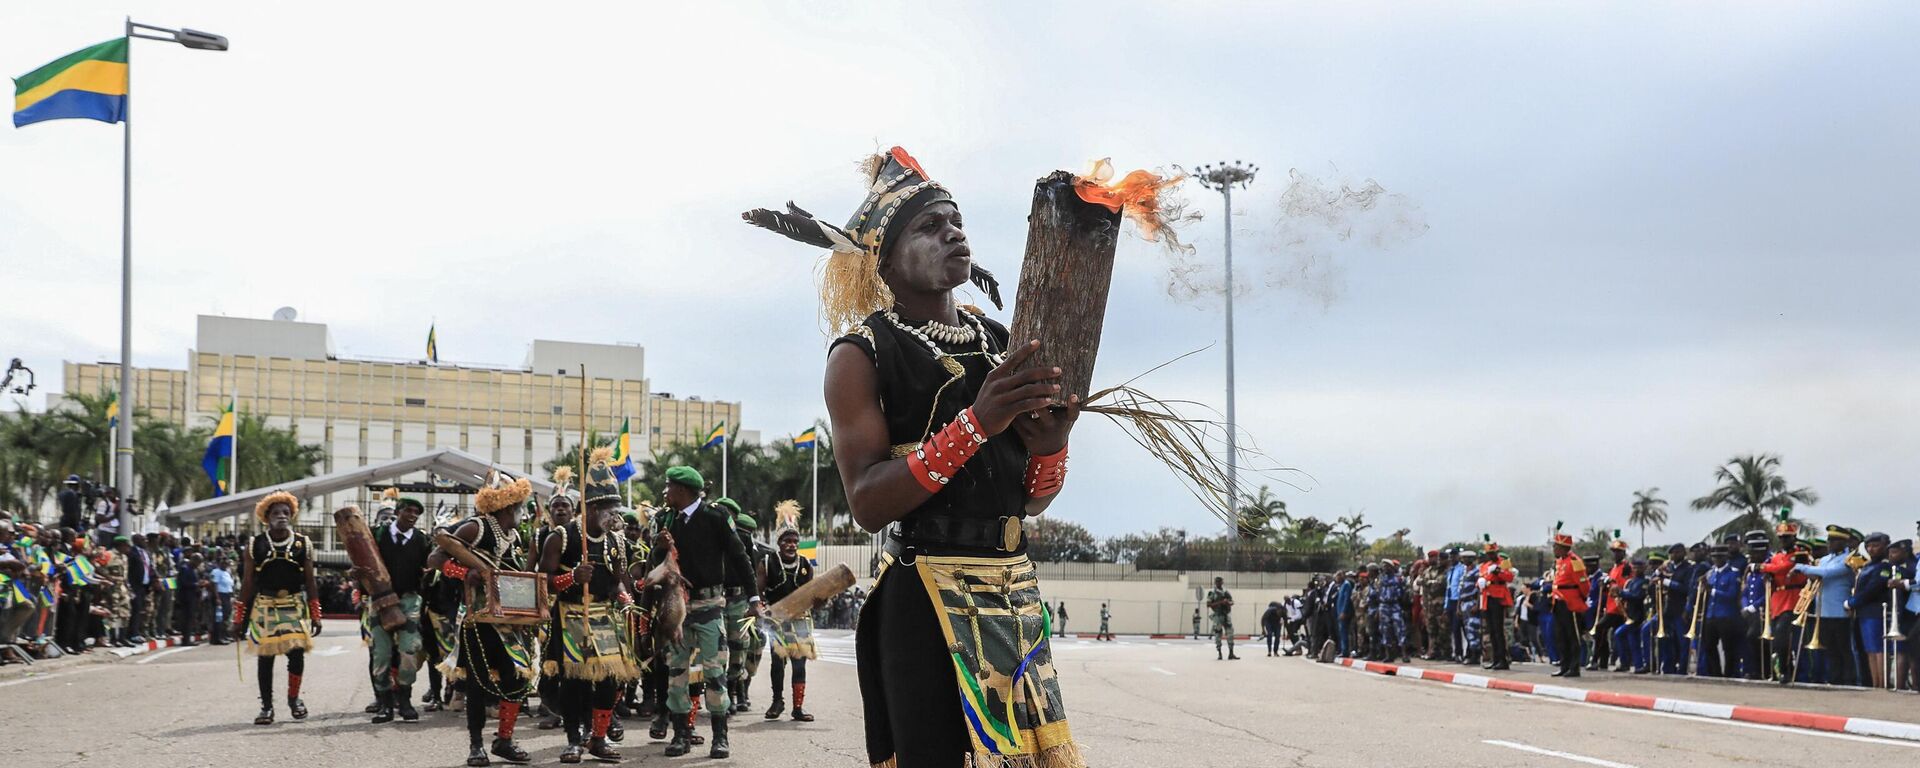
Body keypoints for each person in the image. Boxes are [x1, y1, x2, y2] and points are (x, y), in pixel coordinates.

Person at [752, 145, 1084, 768]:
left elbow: (1031, 499)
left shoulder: (1000, 341)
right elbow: (869, 503)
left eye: (956, 221)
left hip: (1011, 593)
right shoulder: (860, 354)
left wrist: (1051, 446)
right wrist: (977, 423)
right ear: (885, 255)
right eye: (930, 226)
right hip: (925, 596)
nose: (953, 233)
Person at [429, 472, 537, 767]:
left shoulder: (513, 535)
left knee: (517, 676)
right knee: (477, 683)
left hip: (508, 620)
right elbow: (435, 559)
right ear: (507, 506)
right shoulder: (475, 528)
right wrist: (464, 573)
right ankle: (476, 746)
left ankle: (504, 739)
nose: (523, 512)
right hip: (477, 620)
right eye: (520, 506)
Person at [541, 452, 640, 764]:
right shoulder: (562, 536)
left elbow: (619, 581)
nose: (616, 516)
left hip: (605, 618)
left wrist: (626, 598)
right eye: (611, 510)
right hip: (571, 615)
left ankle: (598, 738)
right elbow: (543, 580)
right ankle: (573, 740)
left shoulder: (617, 542)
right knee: (574, 682)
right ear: (594, 508)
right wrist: (572, 577)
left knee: (609, 680)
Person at [651, 465, 756, 758]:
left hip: (709, 607)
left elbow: (739, 556)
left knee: (714, 673)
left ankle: (720, 737)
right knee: (677, 672)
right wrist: (660, 548)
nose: (666, 493)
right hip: (677, 606)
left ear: (683, 491)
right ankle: (681, 735)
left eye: (670, 487)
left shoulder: (715, 517)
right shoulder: (666, 519)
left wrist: (754, 596)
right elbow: (655, 567)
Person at [236, 492, 321, 725]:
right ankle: (266, 707)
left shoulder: (303, 543)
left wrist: (315, 614)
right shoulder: (256, 545)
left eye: (286, 512)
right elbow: (247, 582)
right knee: (266, 658)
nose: (282, 517)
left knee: (296, 655)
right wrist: (238, 617)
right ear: (267, 517)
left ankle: (294, 700)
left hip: (293, 605)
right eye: (276, 513)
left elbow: (311, 582)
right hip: (265, 605)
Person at [359, 492, 430, 724]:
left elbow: (427, 569)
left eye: (416, 513)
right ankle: (385, 703)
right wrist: (360, 584)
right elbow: (362, 561)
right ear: (398, 511)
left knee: (409, 651)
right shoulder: (377, 534)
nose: (412, 515)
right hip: (379, 600)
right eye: (408, 510)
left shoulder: (421, 540)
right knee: (380, 654)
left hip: (409, 600)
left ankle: (405, 699)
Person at [761, 526, 816, 722]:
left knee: (799, 665)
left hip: (800, 620)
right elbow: (759, 592)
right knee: (777, 663)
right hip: (776, 620)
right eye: (787, 541)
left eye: (795, 541)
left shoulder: (806, 564)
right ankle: (777, 701)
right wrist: (763, 609)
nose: (791, 545)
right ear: (779, 543)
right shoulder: (768, 562)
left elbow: (811, 593)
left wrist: (820, 599)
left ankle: (798, 708)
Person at [1793, 526, 1859, 686]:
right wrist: (1810, 571)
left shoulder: (1848, 559)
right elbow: (1817, 573)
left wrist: (1801, 567)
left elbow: (1827, 573)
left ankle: (1848, 680)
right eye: (1830, 540)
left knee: (1844, 648)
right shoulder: (1824, 560)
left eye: (1835, 540)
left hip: (1840, 611)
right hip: (1823, 611)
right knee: (1830, 649)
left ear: (1843, 542)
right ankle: (1834, 678)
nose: (1830, 543)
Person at [1848, 531, 1894, 689]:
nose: (1871, 549)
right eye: (1869, 546)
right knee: (1869, 649)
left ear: (1885, 546)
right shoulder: (1868, 566)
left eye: (1876, 545)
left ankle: (1882, 683)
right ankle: (1875, 683)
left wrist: (1852, 602)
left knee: (1878, 649)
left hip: (1876, 612)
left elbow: (1873, 589)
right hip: (1864, 612)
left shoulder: (1885, 566)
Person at [1698, 546, 1743, 677]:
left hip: (1726, 616)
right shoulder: (1710, 573)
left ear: (1726, 557)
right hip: (1711, 615)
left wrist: (1711, 590)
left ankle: (1729, 674)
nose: (1717, 560)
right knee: (1709, 646)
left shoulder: (1733, 573)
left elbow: (1732, 595)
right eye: (1714, 557)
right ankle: (1715, 673)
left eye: (1720, 557)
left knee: (1728, 648)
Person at [1548, 529, 1588, 678]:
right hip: (1558, 602)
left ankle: (1574, 667)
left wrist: (1580, 598)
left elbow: (1584, 585)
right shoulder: (1559, 562)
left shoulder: (1575, 562)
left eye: (1556, 546)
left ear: (1564, 547)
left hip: (1570, 603)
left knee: (1573, 636)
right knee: (1561, 636)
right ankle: (1564, 665)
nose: (1554, 549)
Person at [1477, 543, 1513, 670]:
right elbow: (1481, 578)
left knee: (1498, 630)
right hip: (1487, 597)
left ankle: (1503, 659)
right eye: (1489, 554)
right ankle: (1495, 658)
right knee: (1491, 630)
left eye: (1493, 553)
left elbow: (1510, 577)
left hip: (1498, 597)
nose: (1491, 555)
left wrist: (1498, 571)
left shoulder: (1503, 562)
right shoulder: (1484, 566)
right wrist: (1480, 583)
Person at [1208, 576, 1239, 660]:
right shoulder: (1212, 592)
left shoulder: (1225, 592)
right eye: (1217, 582)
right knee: (1218, 634)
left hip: (1226, 615)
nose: (1219, 583)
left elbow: (1232, 601)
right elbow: (1209, 604)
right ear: (1215, 583)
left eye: (1220, 582)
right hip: (1218, 615)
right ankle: (1219, 653)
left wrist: (1228, 603)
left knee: (1230, 633)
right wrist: (1220, 602)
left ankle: (1231, 653)